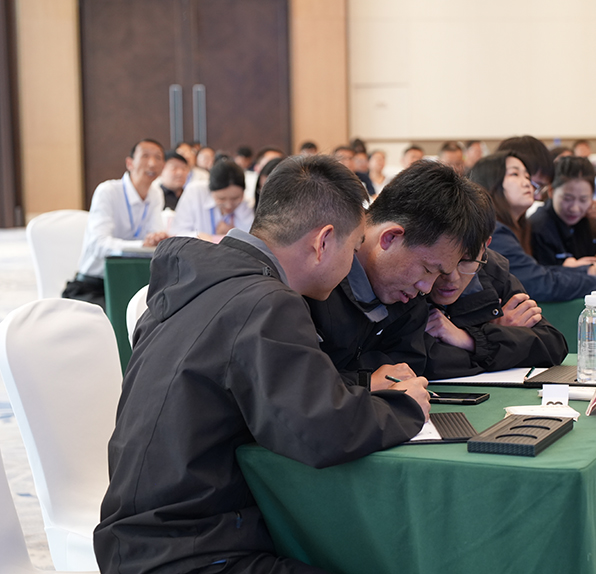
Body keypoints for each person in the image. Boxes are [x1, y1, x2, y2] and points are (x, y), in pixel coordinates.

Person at [94, 155, 430, 574]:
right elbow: (322, 431)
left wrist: (360, 385)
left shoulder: (193, 281)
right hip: (194, 551)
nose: (352, 263)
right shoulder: (268, 302)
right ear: (324, 242)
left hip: (137, 541)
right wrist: (406, 405)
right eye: (354, 246)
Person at [306, 160, 491, 386]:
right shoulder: (313, 275)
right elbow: (295, 381)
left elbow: (405, 368)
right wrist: (364, 383)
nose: (427, 288)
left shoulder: (406, 297)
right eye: (428, 269)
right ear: (390, 237)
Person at [469, 151, 596, 302]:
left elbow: (540, 271)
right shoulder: (496, 231)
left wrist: (595, 269)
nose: (527, 183)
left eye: (527, 177)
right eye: (515, 174)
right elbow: (538, 282)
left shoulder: (518, 227)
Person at [423, 218, 569, 379]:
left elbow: (553, 346)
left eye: (466, 260)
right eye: (441, 263)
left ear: (484, 247)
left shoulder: (493, 270)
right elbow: (422, 362)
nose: (452, 277)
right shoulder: (410, 281)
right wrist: (505, 342)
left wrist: (471, 339)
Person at [62, 139, 169, 309]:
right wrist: (141, 245)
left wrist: (157, 239)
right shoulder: (108, 191)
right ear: (130, 163)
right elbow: (99, 244)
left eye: (158, 157)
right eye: (145, 156)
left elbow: (153, 237)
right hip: (95, 284)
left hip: (133, 282)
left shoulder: (155, 194)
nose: (152, 163)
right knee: (114, 319)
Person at [529, 156, 596, 267]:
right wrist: (575, 270)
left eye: (583, 200)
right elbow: (540, 274)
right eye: (567, 199)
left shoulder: (589, 221)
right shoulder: (538, 227)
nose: (575, 208)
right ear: (551, 191)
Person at [171, 159, 254, 239]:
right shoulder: (195, 192)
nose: (228, 205)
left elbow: (250, 237)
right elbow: (177, 233)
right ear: (210, 190)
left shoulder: (245, 202)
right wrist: (197, 237)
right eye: (221, 199)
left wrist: (233, 233)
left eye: (235, 198)